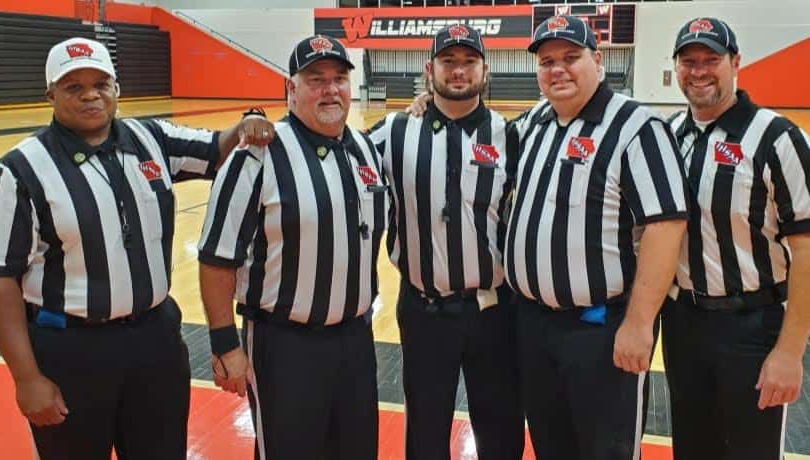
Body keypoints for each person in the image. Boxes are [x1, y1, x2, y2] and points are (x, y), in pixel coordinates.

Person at [0, 36, 272, 459]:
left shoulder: (151, 139)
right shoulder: (18, 171)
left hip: (154, 341)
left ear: (116, 88)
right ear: (51, 93)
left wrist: (250, 120)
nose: (91, 95)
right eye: (74, 87)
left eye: (100, 83)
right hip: (70, 349)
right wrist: (27, 378)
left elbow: (217, 148)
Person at [505, 16, 688, 458]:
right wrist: (425, 104)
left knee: (607, 449)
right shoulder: (532, 124)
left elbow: (666, 227)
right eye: (547, 61)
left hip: (602, 330)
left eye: (571, 58)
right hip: (534, 326)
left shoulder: (636, 127)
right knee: (552, 443)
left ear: (598, 60)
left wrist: (640, 324)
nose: (558, 69)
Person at [197, 35, 387, 460]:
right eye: (315, 79)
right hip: (284, 345)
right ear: (291, 88)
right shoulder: (257, 156)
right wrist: (225, 343)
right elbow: (215, 257)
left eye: (338, 78)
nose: (330, 89)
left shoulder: (366, 150)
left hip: (356, 340)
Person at [366, 25, 524, 460]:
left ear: (484, 70)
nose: (458, 71)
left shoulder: (511, 135)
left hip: (493, 312)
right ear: (429, 69)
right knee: (426, 428)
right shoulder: (393, 132)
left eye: (468, 62)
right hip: (424, 310)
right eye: (448, 62)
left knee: (500, 426)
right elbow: (333, 151)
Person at [662, 17, 810, 459]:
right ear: (676, 67)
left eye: (711, 59)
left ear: (736, 63)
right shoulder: (669, 135)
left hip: (753, 325)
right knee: (691, 447)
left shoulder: (777, 137)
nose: (700, 70)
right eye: (690, 61)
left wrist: (790, 350)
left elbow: (807, 250)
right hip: (683, 323)